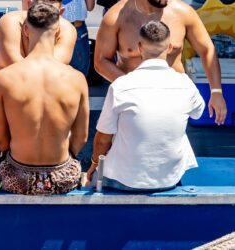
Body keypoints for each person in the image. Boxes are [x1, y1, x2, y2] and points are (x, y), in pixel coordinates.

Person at [95, 0, 227, 125]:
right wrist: (133, 87)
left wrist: (216, 91)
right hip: (133, 103)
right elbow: (100, 61)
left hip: (172, 103)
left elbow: (206, 49)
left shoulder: (183, 12)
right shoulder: (116, 16)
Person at [87, 21, 205, 191]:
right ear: (170, 47)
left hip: (124, 179)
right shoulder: (185, 84)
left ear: (140, 47)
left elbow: (103, 138)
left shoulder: (121, 86)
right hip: (169, 179)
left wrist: (95, 164)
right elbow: (197, 113)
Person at [0, 3, 88, 195]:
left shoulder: (4, 78)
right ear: (58, 30)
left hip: (18, 176)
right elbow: (81, 138)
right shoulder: (77, 79)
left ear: (26, 30)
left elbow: (1, 139)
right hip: (62, 177)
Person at [0, 0, 77, 72]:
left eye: (52, 12)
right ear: (29, 5)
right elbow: (14, 68)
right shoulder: (10, 21)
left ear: (61, 12)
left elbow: (54, 68)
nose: (45, 16)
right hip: (9, 83)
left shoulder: (67, 30)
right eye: (39, 9)